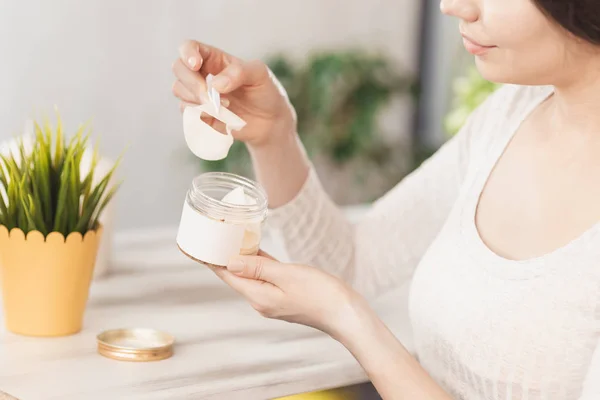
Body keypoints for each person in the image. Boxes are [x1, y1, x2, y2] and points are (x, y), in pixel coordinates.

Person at [171, 0, 600, 398]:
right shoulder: (511, 112)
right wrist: (273, 134)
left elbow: (344, 295)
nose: (453, 6)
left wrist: (350, 321)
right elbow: (350, 264)